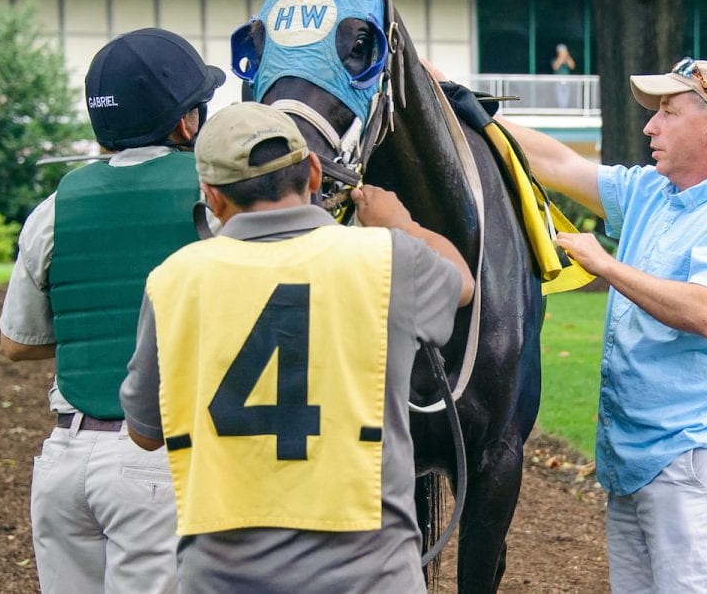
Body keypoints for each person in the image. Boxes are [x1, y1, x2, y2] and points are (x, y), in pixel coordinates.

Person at [120, 102, 474, 592]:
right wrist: (401, 223)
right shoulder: (388, 259)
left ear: (212, 197)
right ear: (312, 172)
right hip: (370, 575)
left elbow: (145, 433)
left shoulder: (172, 280)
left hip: (222, 578)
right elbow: (461, 283)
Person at [498, 58, 707, 592]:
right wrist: (459, 105)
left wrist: (607, 266)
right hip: (638, 464)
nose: (648, 127)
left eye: (666, 112)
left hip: (700, 464)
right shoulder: (653, 193)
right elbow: (556, 165)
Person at [0, 27, 225, 593]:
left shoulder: (53, 207)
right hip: (156, 461)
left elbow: (16, 344)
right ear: (185, 123)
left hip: (63, 463)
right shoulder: (214, 195)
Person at [551, 43, 576, 109]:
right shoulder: (554, 60)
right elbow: (555, 67)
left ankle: (565, 108)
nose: (562, 53)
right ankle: (561, 108)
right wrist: (560, 59)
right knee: (559, 95)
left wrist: (567, 57)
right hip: (558, 81)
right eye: (561, 52)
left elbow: (572, 66)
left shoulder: (567, 59)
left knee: (566, 95)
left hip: (567, 81)